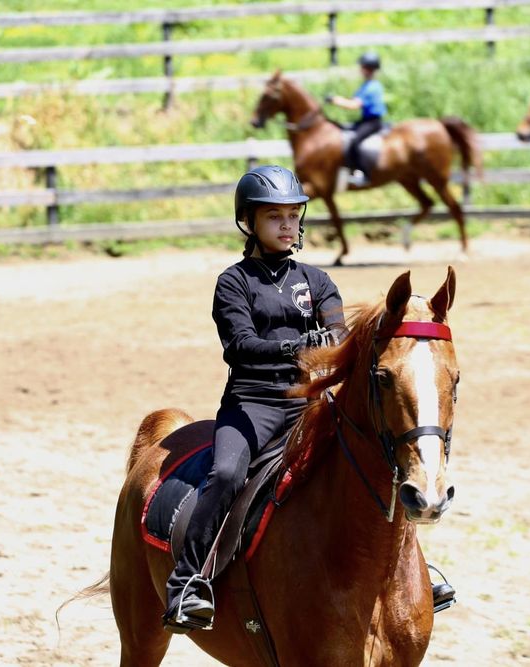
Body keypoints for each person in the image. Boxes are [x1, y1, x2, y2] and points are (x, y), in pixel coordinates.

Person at [162, 164, 348, 633]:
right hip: (252, 405)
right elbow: (240, 346)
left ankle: (415, 570)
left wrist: (334, 344)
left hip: (308, 403)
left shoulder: (318, 281)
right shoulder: (234, 282)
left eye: (293, 215)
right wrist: (296, 346)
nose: (287, 225)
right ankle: (186, 584)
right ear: (249, 221)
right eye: (274, 216)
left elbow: (339, 337)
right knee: (226, 474)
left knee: (372, 459)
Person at [325, 51, 388, 188]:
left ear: (368, 69)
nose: (360, 69)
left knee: (355, 141)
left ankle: (364, 173)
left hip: (373, 122)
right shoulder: (368, 85)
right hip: (366, 120)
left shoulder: (371, 87)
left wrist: (334, 100)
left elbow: (354, 105)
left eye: (362, 67)